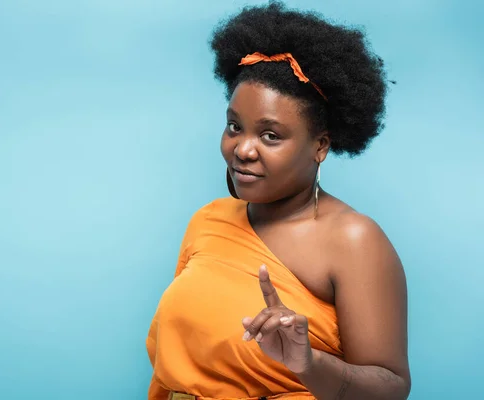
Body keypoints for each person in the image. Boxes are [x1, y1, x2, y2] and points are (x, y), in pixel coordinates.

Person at [145, 2, 410, 399]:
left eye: (270, 136)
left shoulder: (353, 240)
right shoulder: (208, 221)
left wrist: (309, 363)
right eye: (235, 126)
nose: (243, 149)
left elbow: (391, 388)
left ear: (319, 145)